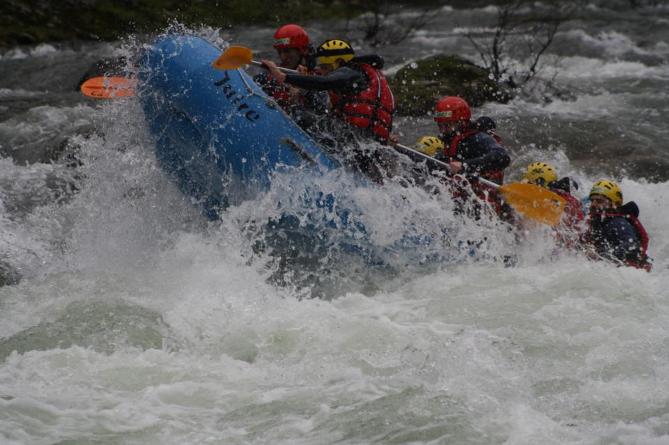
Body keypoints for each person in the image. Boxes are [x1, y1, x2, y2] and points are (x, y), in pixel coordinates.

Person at [262, 39, 396, 182]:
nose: (323, 71)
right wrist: (304, 82)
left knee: (300, 115)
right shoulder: (365, 78)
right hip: (366, 148)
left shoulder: (350, 71)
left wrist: (283, 76)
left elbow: (325, 83)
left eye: (325, 67)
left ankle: (303, 156)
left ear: (339, 62)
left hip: (352, 140)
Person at [253, 24, 325, 127]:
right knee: (261, 79)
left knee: (305, 118)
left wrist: (303, 91)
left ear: (302, 51)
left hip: (305, 133)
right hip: (274, 124)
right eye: (279, 52)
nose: (283, 57)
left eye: (287, 51)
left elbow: (322, 109)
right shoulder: (270, 78)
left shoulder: (319, 77)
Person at [582, 180, 652, 271]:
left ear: (615, 204)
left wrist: (600, 255)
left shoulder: (619, 223)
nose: (593, 204)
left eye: (599, 201)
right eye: (592, 200)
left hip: (627, 272)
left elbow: (631, 247)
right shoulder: (599, 222)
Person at [521, 162, 584, 231]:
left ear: (540, 183)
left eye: (529, 183)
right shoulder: (555, 196)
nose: (526, 187)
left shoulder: (562, 202)